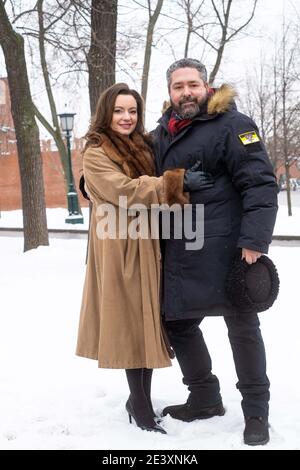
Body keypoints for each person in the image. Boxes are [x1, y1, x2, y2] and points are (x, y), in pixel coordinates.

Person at [151, 58, 278, 446]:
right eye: (178, 86)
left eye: (193, 84)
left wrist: (254, 242)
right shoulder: (162, 134)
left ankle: (256, 411)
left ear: (207, 87)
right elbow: (128, 168)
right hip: (181, 250)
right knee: (179, 324)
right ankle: (204, 397)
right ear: (170, 92)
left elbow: (260, 184)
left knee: (242, 329)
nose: (186, 92)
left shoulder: (233, 126)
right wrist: (91, 179)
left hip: (228, 250)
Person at [76, 82, 213, 435]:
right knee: (131, 326)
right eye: (119, 110)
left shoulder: (144, 144)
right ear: (107, 112)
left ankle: (139, 400)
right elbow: (123, 190)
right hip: (120, 249)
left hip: (149, 246)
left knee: (146, 324)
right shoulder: (95, 150)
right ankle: (140, 405)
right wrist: (176, 183)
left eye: (132, 111)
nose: (126, 117)